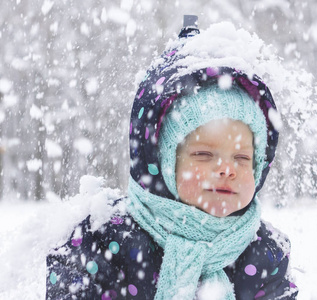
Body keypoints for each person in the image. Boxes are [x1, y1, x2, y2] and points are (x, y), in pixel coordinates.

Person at [46, 17, 298, 300]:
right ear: (162, 164)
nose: (227, 169)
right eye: (204, 154)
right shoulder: (107, 238)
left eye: (241, 157)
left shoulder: (266, 253)